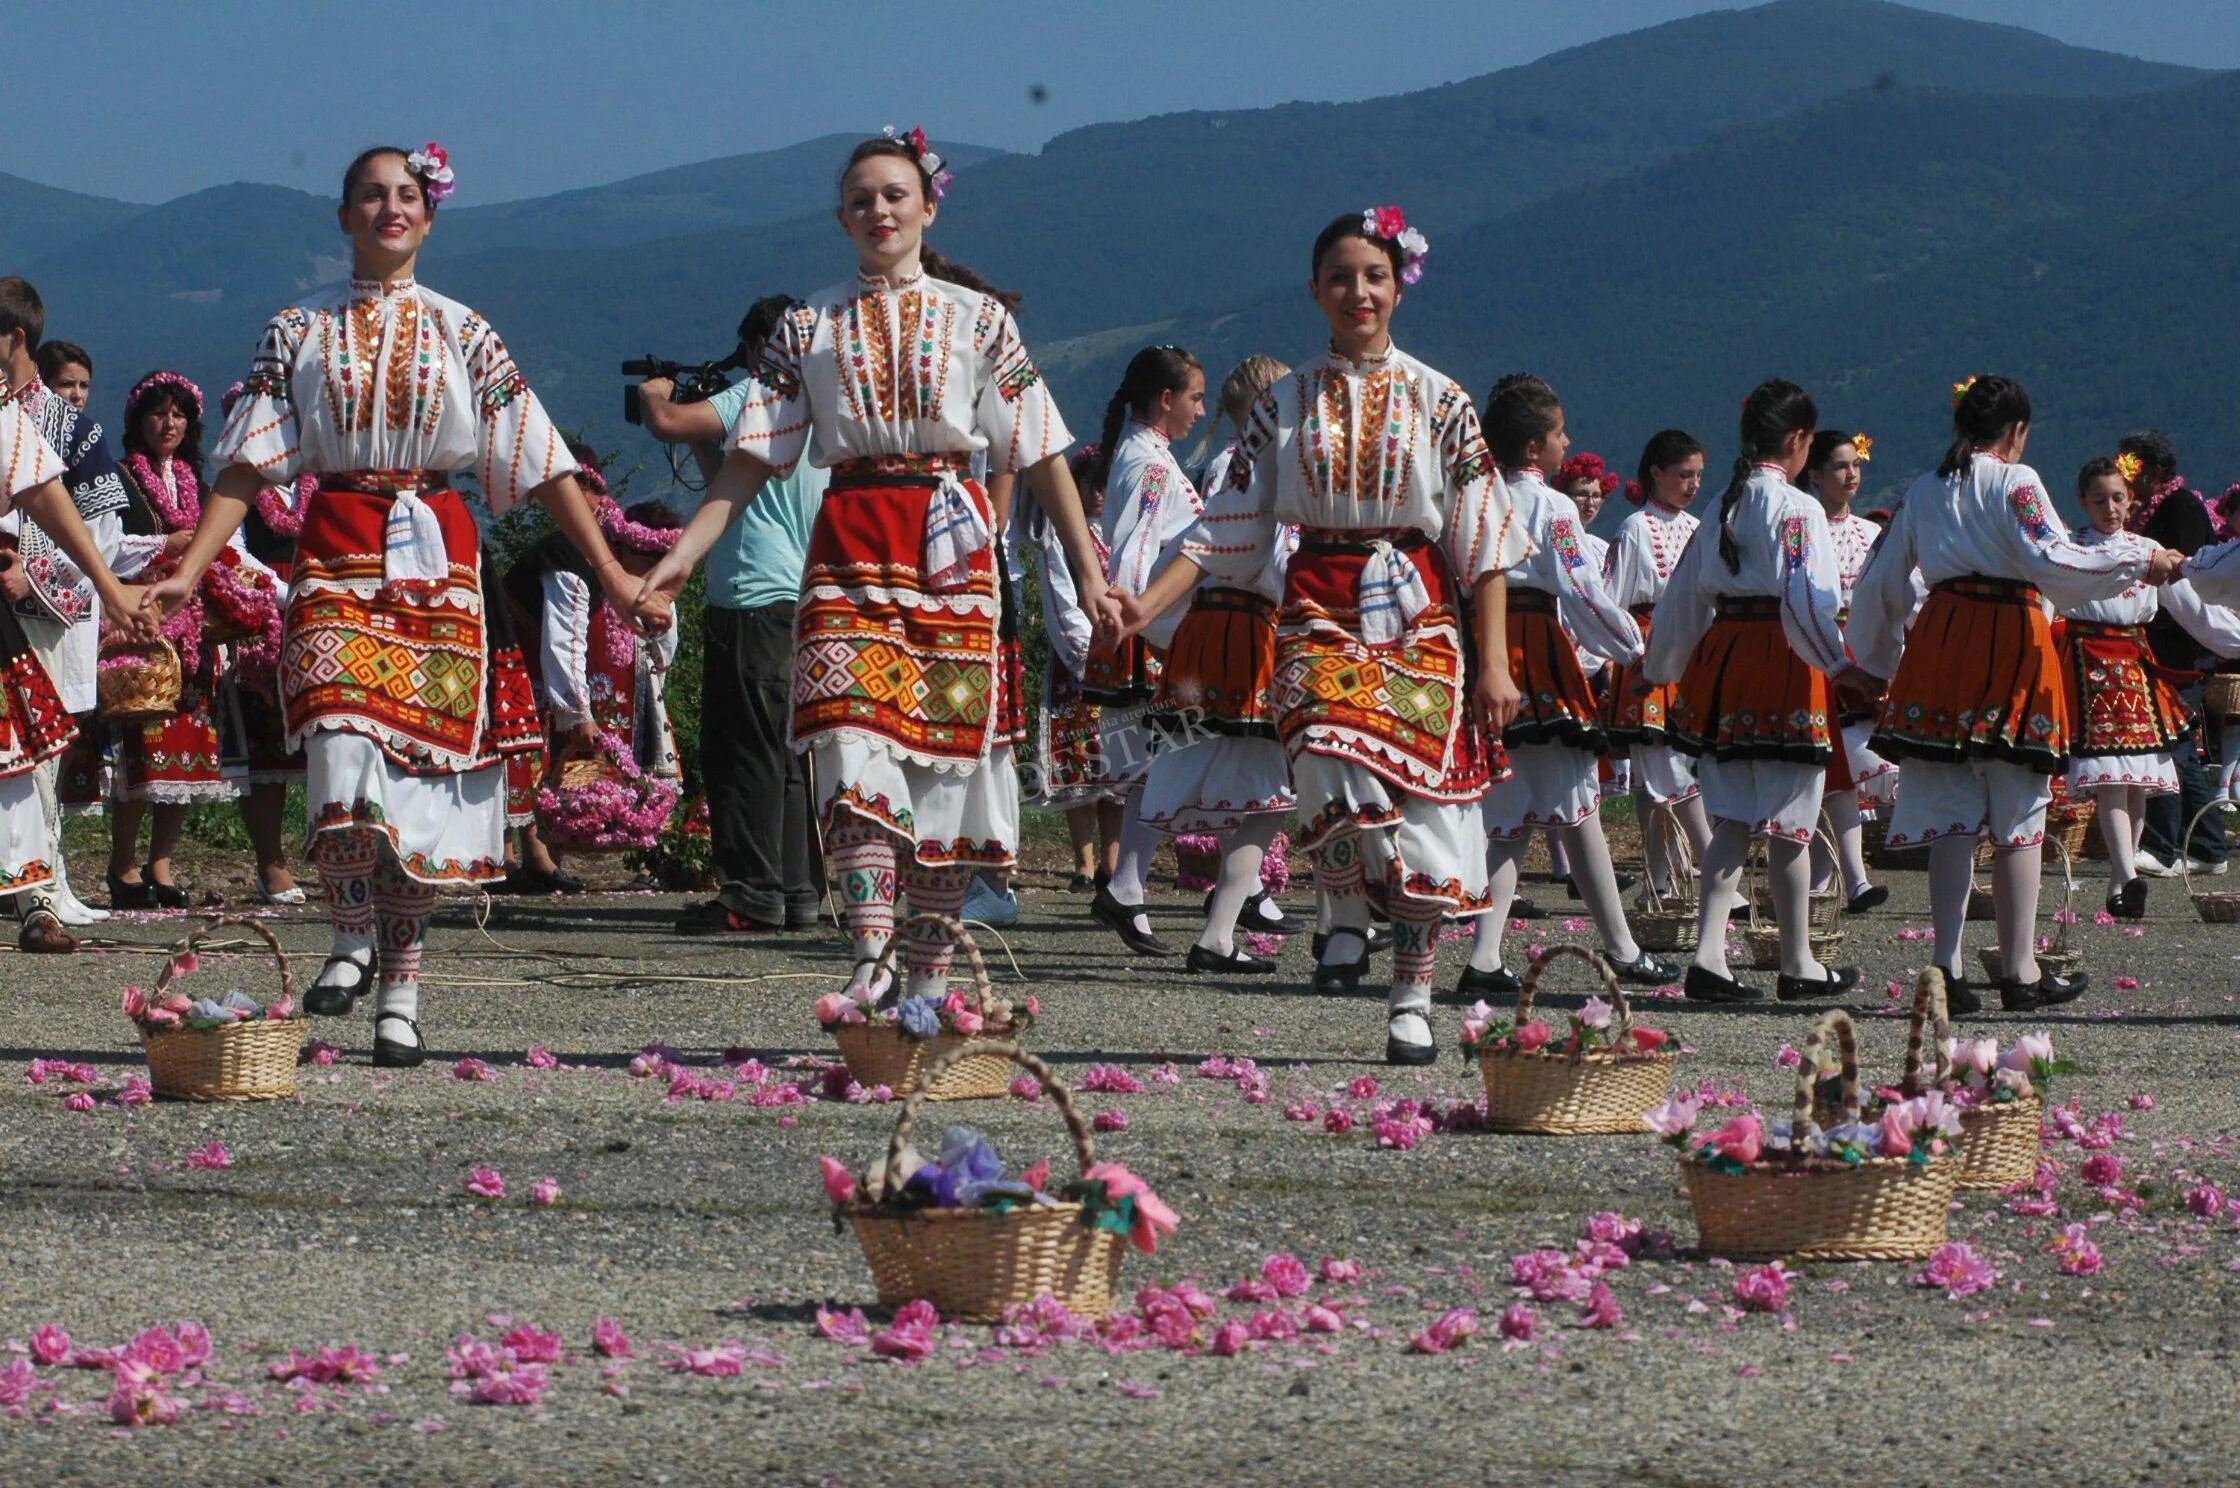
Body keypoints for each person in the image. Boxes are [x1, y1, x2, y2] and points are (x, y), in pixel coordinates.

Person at [144, 141, 649, 1066]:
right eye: (371, 195)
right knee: (340, 743)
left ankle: (403, 996)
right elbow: (247, 463)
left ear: (430, 213)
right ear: (343, 218)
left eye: (407, 195)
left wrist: (615, 578)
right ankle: (346, 937)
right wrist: (188, 568)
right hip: (335, 549)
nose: (390, 208)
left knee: (419, 781)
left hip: (436, 557)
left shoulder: (465, 331)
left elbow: (541, 462)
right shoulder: (294, 329)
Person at [637, 127, 1116, 1010]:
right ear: (841, 216)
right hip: (850, 545)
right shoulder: (807, 325)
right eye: (861, 198)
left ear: (929, 206)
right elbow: (752, 457)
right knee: (851, 752)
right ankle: (869, 957)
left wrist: (1089, 573)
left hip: (948, 551)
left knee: (944, 774)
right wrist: (680, 558)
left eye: (895, 195)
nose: (879, 210)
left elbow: (1041, 449)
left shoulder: (981, 320)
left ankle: (928, 978)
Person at [1115, 204, 1527, 1065]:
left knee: (1427, 803)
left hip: (1417, 606)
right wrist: (1144, 608)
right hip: (1315, 607)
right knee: (1323, 750)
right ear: (1314, 290)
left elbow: (1484, 540)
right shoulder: (1282, 402)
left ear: (1398, 285)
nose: (1357, 292)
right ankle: (1344, 897)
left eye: (1373, 276)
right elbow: (1224, 530)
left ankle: (1410, 993)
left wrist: (1494, 661)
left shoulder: (1439, 397)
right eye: (1340, 277)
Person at [1850, 375, 2180, 1014]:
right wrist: (2140, 561)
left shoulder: (1924, 487)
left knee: (1950, 815)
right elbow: (2052, 558)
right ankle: (2020, 971)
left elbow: (1880, 580)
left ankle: (1944, 968)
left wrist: (1877, 660)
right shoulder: (2016, 481)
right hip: (2009, 646)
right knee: (2019, 813)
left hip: (1943, 649)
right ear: (2017, 430)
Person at [1648, 379, 1863, 1005]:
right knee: (1794, 819)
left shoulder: (1721, 503)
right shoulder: (1798, 510)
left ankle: (1710, 957)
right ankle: (1797, 961)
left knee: (1734, 819)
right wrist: (1839, 663)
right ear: (1798, 441)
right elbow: (1807, 596)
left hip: (1727, 661)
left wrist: (1662, 668)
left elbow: (1684, 596)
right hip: (1786, 659)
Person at [1462, 376, 1673, 997]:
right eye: (1559, 433)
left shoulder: (1474, 494)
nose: (1568, 442)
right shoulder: (1552, 508)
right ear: (1534, 448)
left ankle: (1487, 955)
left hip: (1486, 647)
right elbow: (1580, 587)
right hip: (1536, 651)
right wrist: (1631, 645)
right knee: (1576, 808)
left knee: (1513, 814)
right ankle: (1620, 949)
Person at [635, 296, 830, 935]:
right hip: (801, 593)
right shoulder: (816, 404)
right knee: (790, 753)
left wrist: (657, 389)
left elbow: (665, 420)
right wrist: (703, 449)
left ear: (755, 348)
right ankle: (799, 890)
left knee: (741, 751)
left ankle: (748, 891)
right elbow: (736, 479)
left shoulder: (753, 391)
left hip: (748, 596)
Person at [1137, 352, 1305, 973]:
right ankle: (1146, 896)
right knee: (1265, 788)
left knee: (1199, 765)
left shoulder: (1225, 465)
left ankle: (1196, 917)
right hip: (1244, 636)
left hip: (1206, 632)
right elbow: (1276, 561)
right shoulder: (1259, 470)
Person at [0, 280, 130, 941]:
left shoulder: (72, 427)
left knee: (38, 751)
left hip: (49, 609)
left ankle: (44, 884)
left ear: (16, 338)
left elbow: (100, 531)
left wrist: (36, 574)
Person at [2063, 456, 2240, 915]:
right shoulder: (2069, 548)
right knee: (2109, 778)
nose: (2111, 507)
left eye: (2119, 497)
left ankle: (2120, 886)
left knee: (2138, 780)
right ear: (2082, 502)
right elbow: (2045, 604)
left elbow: (2195, 611)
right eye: (2099, 499)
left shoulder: (2149, 550)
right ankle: (2125, 875)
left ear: (2132, 499)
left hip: (2137, 668)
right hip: (2087, 666)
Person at [505, 457, 685, 891]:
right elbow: (563, 637)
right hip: (523, 662)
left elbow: (662, 644)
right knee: (530, 756)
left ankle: (556, 857)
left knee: (561, 758)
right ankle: (521, 859)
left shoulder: (622, 567)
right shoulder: (571, 556)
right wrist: (578, 711)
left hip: (578, 677)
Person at [1081, 345, 1207, 958]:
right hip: (1160, 633)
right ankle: (1228, 894)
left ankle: (1132, 884)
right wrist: (1130, 619)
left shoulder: (1143, 456)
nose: (1200, 412)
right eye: (1195, 399)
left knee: (1160, 763)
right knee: (1172, 761)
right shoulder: (1151, 465)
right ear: (1166, 400)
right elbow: (1132, 550)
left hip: (1159, 630)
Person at [109, 372, 249, 909]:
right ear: (138, 420)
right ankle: (122, 864)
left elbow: (228, 550)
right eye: (157, 412)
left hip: (197, 635)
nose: (168, 423)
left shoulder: (201, 486)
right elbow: (109, 548)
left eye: (178, 414)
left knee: (189, 747)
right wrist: (164, 543)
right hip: (143, 626)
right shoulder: (121, 479)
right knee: (139, 745)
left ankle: (161, 863)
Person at [1605, 430, 1713, 896]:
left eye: (1699, 476)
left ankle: (1658, 883)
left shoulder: (1698, 529)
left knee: (1667, 775)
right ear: (1656, 474)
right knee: (1663, 768)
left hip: (1691, 657)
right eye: (1684, 475)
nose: (1693, 486)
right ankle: (1709, 866)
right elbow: (1612, 602)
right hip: (1647, 655)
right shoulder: (1634, 529)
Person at [217, 379, 310, 906]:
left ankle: (334, 849)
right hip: (265, 617)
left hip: (318, 610)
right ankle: (270, 862)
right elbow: (233, 553)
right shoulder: (238, 485)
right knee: (267, 747)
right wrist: (282, 595)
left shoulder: (314, 483)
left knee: (329, 739)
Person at [2123, 430, 2227, 878]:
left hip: (2181, 644)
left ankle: (2171, 845)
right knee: (2170, 744)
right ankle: (2205, 845)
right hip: (2157, 642)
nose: (2128, 474)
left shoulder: (2180, 506)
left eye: (2134, 466)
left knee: (2173, 745)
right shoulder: (2148, 510)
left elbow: (2182, 576)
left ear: (2157, 471)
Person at [1019, 444, 1121, 892]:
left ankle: (1112, 865)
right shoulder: (1058, 537)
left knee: (1118, 767)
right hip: (1079, 662)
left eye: (1104, 486)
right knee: (1077, 768)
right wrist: (1085, 655)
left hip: (1119, 658)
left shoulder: (1121, 535)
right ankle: (1083, 863)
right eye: (1089, 486)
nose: (1098, 495)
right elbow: (1061, 599)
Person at [1801, 429, 1894, 912]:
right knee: (1820, 764)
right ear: (1815, 475)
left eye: (1856, 465)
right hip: (1813, 654)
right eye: (1840, 466)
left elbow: (1891, 598)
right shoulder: (1801, 524)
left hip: (1861, 655)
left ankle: (1843, 876)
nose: (1851, 474)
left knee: (1839, 765)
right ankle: (1830, 873)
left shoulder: (1871, 534)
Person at [34, 341, 93, 413]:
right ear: (42, 385)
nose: (78, 395)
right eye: (67, 384)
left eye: (84, 386)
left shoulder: (88, 424)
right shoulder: (20, 422)